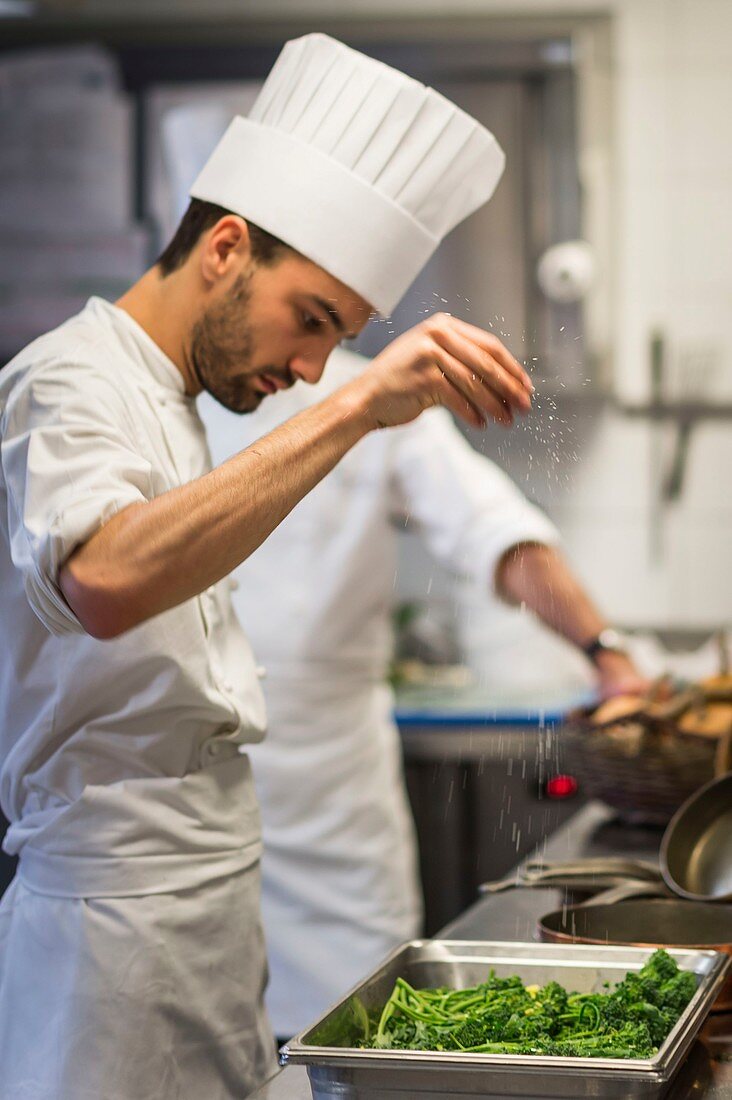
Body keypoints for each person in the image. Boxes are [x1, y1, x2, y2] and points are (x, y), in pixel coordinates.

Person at [0, 33, 535, 1100]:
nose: (305, 366)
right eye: (315, 322)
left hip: (204, 915)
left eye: (335, 340)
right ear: (227, 248)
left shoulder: (172, 400)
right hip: (109, 942)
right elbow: (100, 577)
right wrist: (356, 403)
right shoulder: (66, 380)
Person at [200, 344, 647, 1039]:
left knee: (359, 1031)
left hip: (333, 811)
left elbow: (493, 528)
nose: (310, 357)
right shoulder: (157, 399)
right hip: (194, 810)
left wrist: (604, 653)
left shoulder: (367, 394)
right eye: (313, 315)